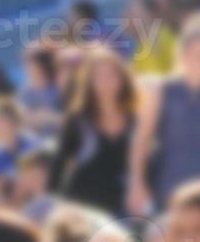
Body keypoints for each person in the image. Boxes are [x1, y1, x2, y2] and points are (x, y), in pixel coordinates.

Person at [127, 18, 200, 215]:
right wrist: (137, 184)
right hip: (170, 192)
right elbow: (142, 140)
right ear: (184, 56)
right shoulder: (163, 91)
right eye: (199, 55)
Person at [50, 47, 137, 218]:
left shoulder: (135, 120)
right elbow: (58, 165)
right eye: (99, 76)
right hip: (85, 207)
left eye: (112, 75)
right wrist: (54, 205)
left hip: (125, 208)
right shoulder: (78, 120)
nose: (106, 82)